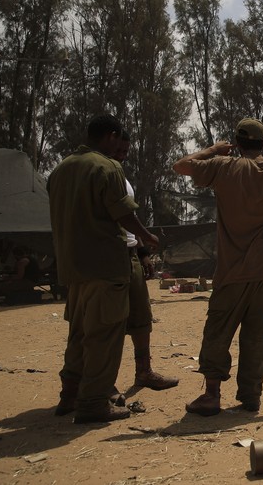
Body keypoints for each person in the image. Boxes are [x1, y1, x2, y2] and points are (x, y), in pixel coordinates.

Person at [173, 118, 263, 416]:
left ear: (237, 142)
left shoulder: (224, 167)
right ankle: (251, 398)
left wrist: (214, 149)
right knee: (255, 335)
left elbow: (182, 166)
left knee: (217, 332)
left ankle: (212, 395)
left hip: (232, 271)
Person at [48, 114, 159, 424]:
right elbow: (122, 212)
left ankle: (69, 395)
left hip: (73, 267)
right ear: (111, 135)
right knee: (104, 336)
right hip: (105, 266)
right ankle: (94, 403)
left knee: (79, 333)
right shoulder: (106, 167)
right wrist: (146, 236)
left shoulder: (60, 169)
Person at [111, 132, 179, 393]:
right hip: (111, 257)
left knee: (141, 319)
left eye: (126, 150)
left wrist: (143, 253)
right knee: (111, 323)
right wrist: (147, 236)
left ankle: (144, 372)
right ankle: (105, 383)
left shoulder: (123, 179)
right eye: (119, 149)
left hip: (130, 255)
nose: (123, 154)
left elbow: (128, 220)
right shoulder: (103, 175)